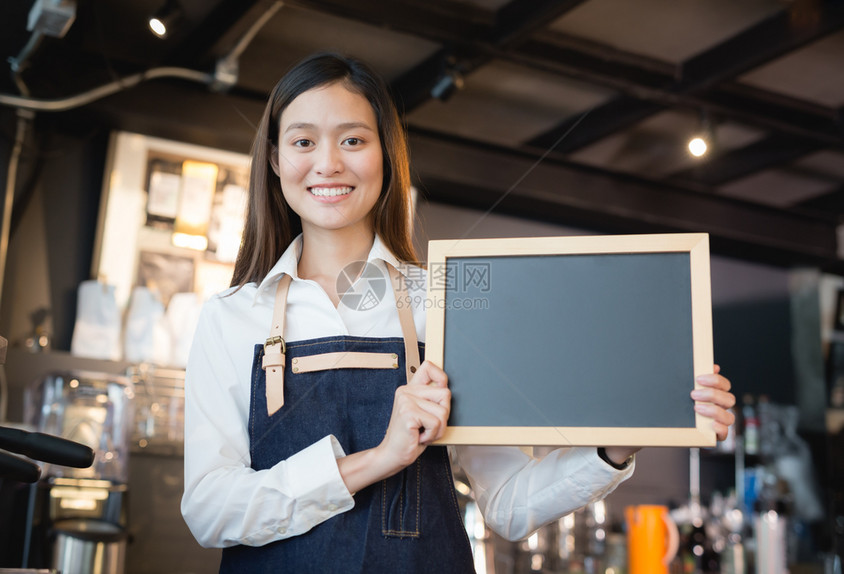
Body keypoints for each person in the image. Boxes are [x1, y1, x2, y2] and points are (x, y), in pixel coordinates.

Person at [180, 52, 736, 573]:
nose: (328, 163)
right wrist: (378, 459)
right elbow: (210, 510)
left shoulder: (440, 302)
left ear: (386, 157)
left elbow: (510, 504)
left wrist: (628, 436)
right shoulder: (233, 317)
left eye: (352, 139)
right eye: (303, 142)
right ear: (275, 159)